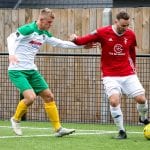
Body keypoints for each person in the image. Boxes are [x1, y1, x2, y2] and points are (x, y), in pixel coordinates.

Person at [7, 8, 87, 137]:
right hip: (17, 71)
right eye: (49, 22)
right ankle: (15, 119)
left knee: (49, 96)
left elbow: (61, 43)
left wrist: (82, 46)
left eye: (51, 23)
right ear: (41, 20)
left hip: (32, 71)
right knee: (30, 98)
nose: (50, 25)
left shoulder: (44, 34)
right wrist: (11, 55)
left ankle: (58, 129)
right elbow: (10, 38)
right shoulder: (28, 29)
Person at [70, 10, 149, 139]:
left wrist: (134, 67)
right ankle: (122, 131)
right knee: (114, 101)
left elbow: (132, 51)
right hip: (110, 75)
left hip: (128, 73)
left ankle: (143, 118)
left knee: (142, 99)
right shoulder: (102, 32)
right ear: (115, 22)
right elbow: (84, 40)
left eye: (127, 25)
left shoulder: (130, 34)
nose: (125, 28)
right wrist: (75, 39)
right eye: (122, 25)